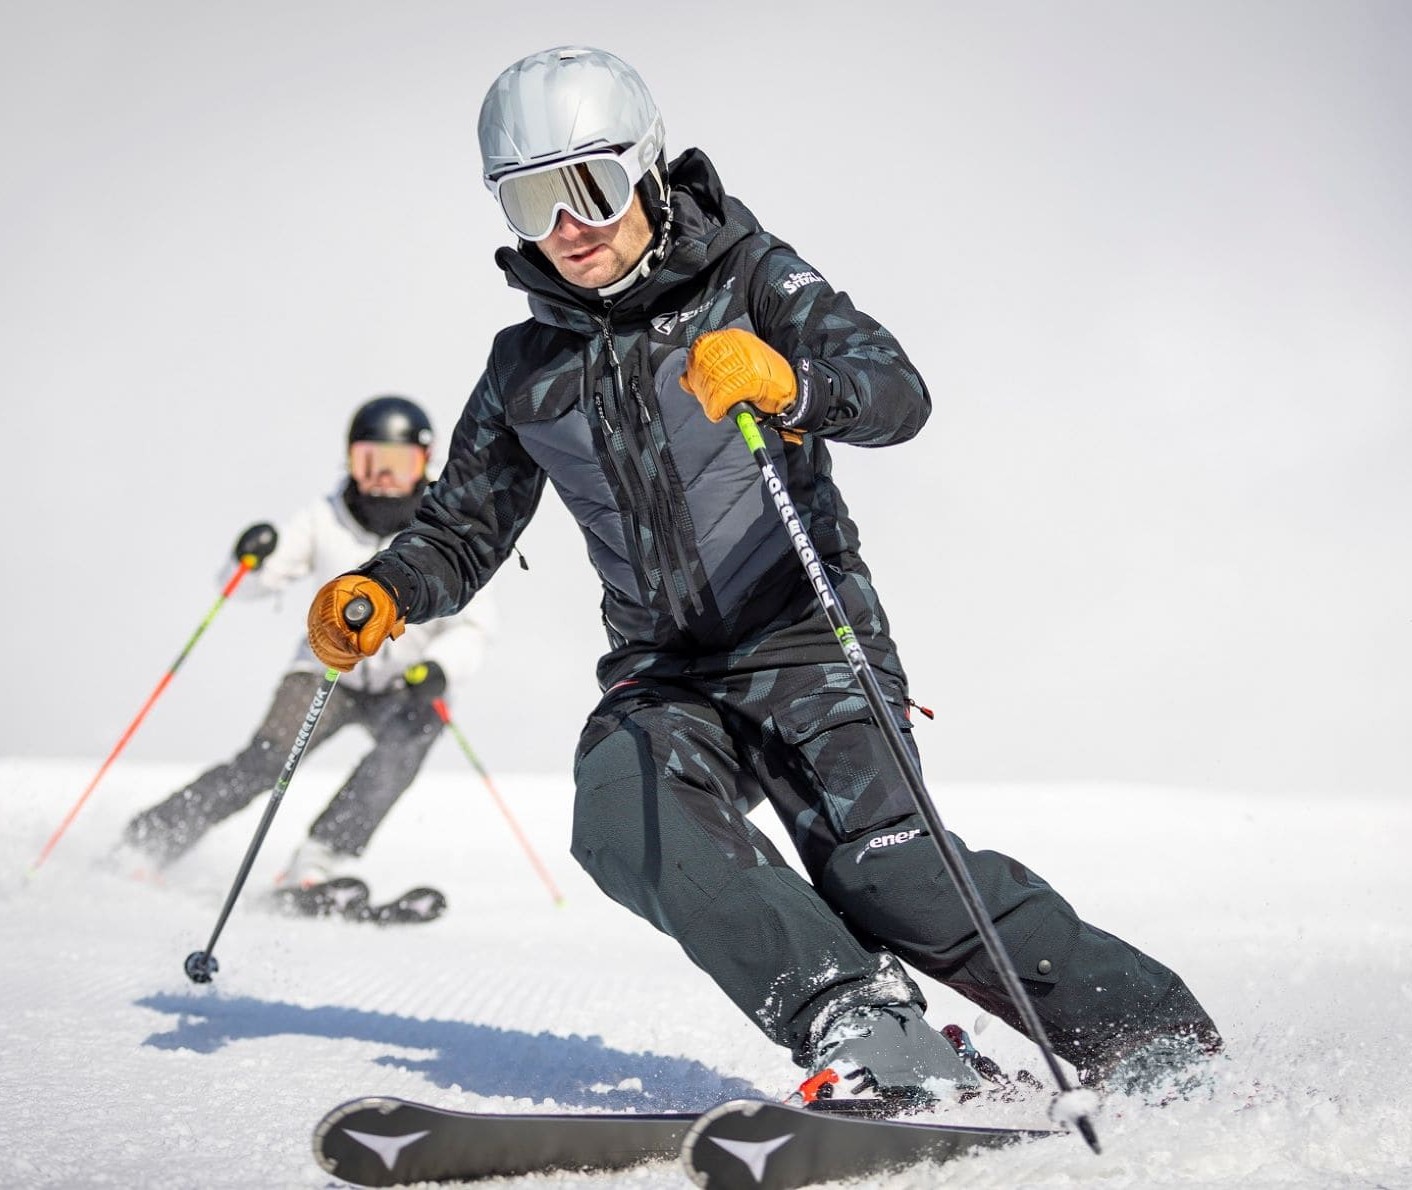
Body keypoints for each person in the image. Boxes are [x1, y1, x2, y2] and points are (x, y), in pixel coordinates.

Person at [305, 47, 1222, 1101]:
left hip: (800, 632)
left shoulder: (750, 277)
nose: (569, 226)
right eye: (529, 199)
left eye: (590, 186)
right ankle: (867, 1025)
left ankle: (1153, 1040)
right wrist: (383, 586)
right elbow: (462, 526)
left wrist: (792, 382)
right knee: (624, 812)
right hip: (664, 668)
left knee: (887, 872)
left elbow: (893, 389)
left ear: (644, 170)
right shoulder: (524, 369)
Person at [124, 395, 494, 920]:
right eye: (371, 462)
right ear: (350, 461)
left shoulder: (444, 527)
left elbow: (477, 625)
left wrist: (439, 669)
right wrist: (249, 559)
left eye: (399, 464)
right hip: (325, 672)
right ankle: (151, 839)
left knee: (407, 744)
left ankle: (319, 861)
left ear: (425, 464)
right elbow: (251, 582)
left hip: (404, 684)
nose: (384, 478)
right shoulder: (324, 518)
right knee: (267, 758)